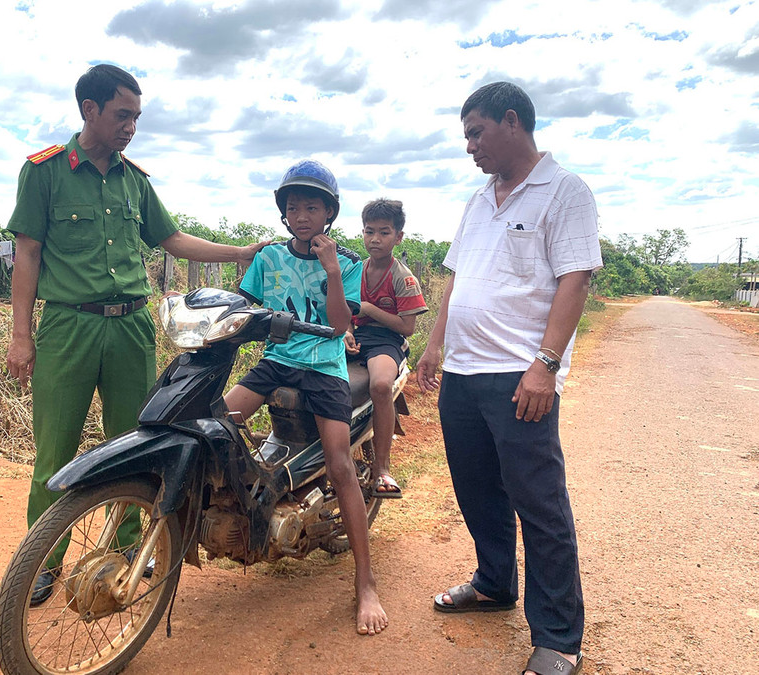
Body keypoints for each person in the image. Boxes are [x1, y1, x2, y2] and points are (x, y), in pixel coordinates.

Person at [6, 64, 264, 606]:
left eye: (137, 117)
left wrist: (239, 253)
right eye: (123, 115)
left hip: (130, 328)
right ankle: (43, 562)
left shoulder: (134, 180)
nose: (131, 127)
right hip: (68, 327)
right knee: (54, 452)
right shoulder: (45, 172)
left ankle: (128, 550)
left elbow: (171, 238)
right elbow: (27, 254)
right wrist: (20, 335)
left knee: (139, 443)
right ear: (89, 110)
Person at [415, 82, 602, 675]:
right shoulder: (478, 200)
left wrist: (545, 365)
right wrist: (434, 344)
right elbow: (455, 279)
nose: (469, 146)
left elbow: (575, 280)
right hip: (464, 374)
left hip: (519, 375)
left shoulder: (564, 191)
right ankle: (495, 583)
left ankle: (558, 638)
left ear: (512, 122)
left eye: (476, 132)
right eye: (466, 135)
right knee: (477, 491)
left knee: (538, 502)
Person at [223, 159, 388, 636]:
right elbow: (245, 312)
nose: (300, 215)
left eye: (311, 207)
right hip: (277, 361)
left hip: (324, 366)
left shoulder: (351, 263)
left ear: (328, 213)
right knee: (219, 423)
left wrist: (333, 270)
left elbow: (339, 326)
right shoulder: (268, 258)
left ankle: (366, 582)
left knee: (340, 466)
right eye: (292, 206)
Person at [344, 199, 427, 498]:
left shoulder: (402, 277)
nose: (375, 239)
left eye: (384, 232)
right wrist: (347, 331)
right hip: (357, 338)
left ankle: (382, 468)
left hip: (386, 341)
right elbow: (344, 312)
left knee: (380, 385)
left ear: (398, 237)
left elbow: (407, 327)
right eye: (369, 231)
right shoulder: (354, 271)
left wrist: (368, 309)